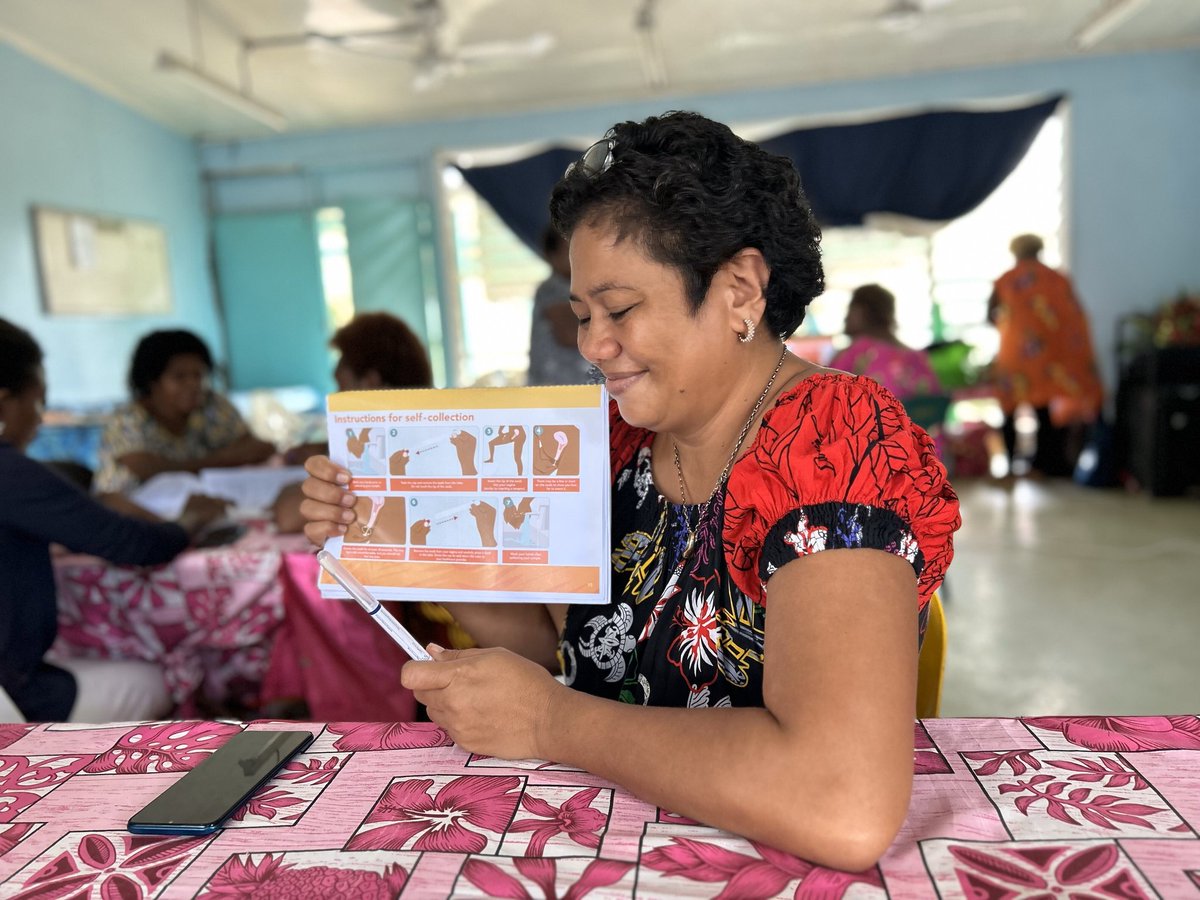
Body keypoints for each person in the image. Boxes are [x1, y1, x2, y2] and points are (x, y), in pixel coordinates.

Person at [300, 112, 960, 870]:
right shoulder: (618, 442)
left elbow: (841, 803)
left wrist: (551, 722)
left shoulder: (833, 442)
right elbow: (559, 645)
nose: (591, 346)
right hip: (606, 845)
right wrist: (389, 534)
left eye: (619, 310)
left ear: (739, 289)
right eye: (582, 316)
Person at [0, 319, 226, 722]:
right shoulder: (12, 474)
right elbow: (131, 544)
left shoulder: (213, 412)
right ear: (3, 403)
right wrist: (188, 523)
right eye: (38, 402)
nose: (38, 418)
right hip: (15, 691)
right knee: (160, 681)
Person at [94, 329, 275, 494]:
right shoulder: (127, 419)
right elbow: (146, 468)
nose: (192, 385)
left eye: (198, 375)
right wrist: (221, 460)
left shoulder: (211, 405)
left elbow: (259, 448)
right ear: (152, 381)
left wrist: (192, 466)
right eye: (179, 377)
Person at [988, 234, 1104, 477]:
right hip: (1048, 358)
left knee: (1009, 411)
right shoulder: (1057, 279)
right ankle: (1042, 467)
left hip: (1015, 357)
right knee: (1042, 411)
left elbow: (990, 314)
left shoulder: (1006, 280)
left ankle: (1008, 468)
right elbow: (1074, 317)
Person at [829, 284, 941, 400]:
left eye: (850, 309)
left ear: (860, 311)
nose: (846, 318)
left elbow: (826, 400)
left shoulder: (852, 354)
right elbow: (935, 402)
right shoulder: (916, 357)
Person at [527, 226, 593, 385]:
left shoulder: (579, 286)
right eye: (569, 249)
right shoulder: (552, 289)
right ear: (552, 256)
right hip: (555, 391)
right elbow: (570, 334)